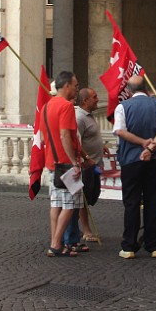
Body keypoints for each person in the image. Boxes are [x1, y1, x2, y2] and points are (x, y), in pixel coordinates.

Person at [114, 75, 156, 259]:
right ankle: (155, 245)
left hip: (131, 159)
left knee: (132, 202)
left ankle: (129, 246)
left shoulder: (122, 107)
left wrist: (142, 143)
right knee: (155, 200)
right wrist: (152, 147)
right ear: (146, 88)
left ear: (129, 91)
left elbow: (121, 131)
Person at [43, 71, 88, 257]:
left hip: (51, 162)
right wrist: (74, 163)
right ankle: (55, 244)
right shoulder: (66, 107)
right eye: (76, 85)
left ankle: (57, 241)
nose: (77, 89)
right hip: (65, 164)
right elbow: (64, 135)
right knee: (70, 206)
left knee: (56, 204)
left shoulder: (47, 105)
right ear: (67, 86)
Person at [62, 87, 104, 250]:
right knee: (83, 199)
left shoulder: (88, 115)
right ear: (85, 101)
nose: (97, 99)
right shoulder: (79, 117)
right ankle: (84, 230)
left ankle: (78, 229)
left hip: (94, 164)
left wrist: (102, 147)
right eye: (94, 97)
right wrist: (85, 158)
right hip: (85, 165)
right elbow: (76, 142)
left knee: (91, 196)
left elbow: (89, 137)